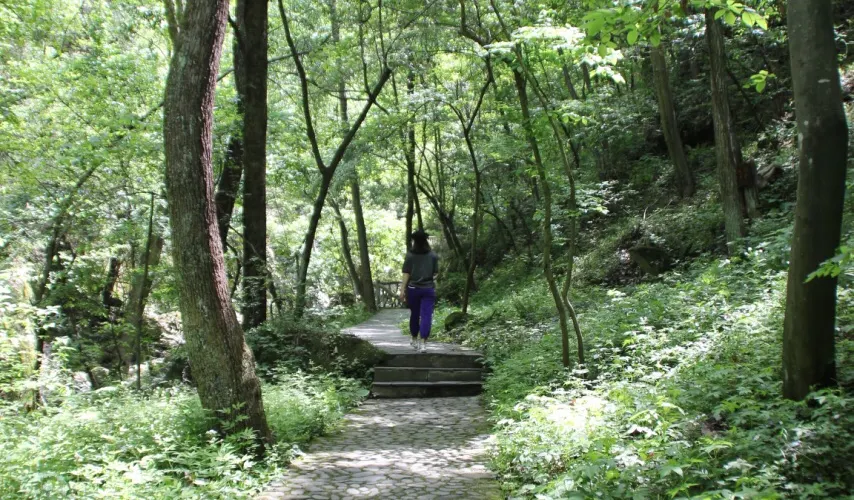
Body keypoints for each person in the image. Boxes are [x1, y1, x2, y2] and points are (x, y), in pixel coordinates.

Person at [399, 229, 439, 353]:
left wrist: (402, 289)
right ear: (426, 241)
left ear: (414, 241)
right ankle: (423, 344)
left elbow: (406, 273)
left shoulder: (410, 256)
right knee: (426, 315)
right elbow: (436, 274)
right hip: (428, 289)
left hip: (413, 289)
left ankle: (414, 338)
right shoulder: (433, 256)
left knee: (415, 314)